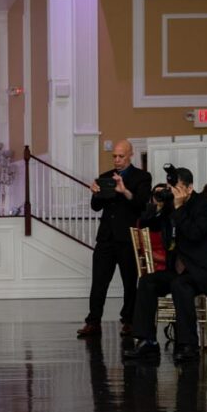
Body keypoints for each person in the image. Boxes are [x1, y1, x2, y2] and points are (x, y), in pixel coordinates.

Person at [123, 167, 207, 364]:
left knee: (181, 285)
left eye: (177, 188)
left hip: (204, 271)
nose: (173, 192)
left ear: (189, 189)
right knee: (147, 281)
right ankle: (147, 341)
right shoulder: (170, 204)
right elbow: (147, 224)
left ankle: (188, 345)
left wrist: (179, 209)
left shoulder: (204, 203)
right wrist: (157, 205)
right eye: (171, 188)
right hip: (180, 270)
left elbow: (194, 233)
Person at [78, 140, 152, 338]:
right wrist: (95, 193)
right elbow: (96, 207)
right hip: (106, 238)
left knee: (130, 282)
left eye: (121, 156)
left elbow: (141, 205)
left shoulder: (142, 177)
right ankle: (93, 322)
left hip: (128, 237)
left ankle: (128, 321)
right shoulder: (105, 177)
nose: (117, 160)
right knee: (99, 281)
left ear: (130, 155)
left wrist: (125, 191)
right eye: (115, 156)